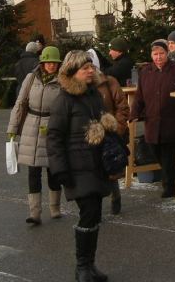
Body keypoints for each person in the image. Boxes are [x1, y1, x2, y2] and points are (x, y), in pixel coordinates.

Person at [47, 50, 116, 282]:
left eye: (91, 67)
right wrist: (59, 170)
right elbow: (54, 137)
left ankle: (90, 265)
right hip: (76, 167)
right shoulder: (64, 100)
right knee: (89, 212)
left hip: (97, 164)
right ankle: (82, 267)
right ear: (72, 72)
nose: (90, 70)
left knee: (95, 213)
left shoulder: (94, 94)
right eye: (85, 68)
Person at [8, 45, 64, 225]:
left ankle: (55, 208)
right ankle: (35, 213)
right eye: (48, 62)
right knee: (33, 171)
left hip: (52, 126)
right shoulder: (31, 78)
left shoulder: (63, 81)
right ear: (42, 63)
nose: (51, 65)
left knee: (53, 170)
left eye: (54, 63)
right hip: (31, 126)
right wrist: (12, 128)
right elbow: (20, 102)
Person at [132, 39, 175, 198]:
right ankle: (173, 176)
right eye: (155, 54)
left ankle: (169, 187)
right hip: (152, 121)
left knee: (168, 155)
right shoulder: (145, 72)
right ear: (151, 55)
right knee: (155, 151)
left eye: (161, 53)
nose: (158, 57)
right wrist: (134, 113)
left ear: (167, 53)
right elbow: (139, 97)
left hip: (172, 121)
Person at [89, 48, 130, 215]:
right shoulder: (79, 85)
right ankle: (94, 206)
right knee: (92, 170)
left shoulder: (109, 82)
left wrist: (117, 127)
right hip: (90, 133)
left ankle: (115, 196)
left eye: (91, 65)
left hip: (110, 133)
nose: (89, 70)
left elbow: (122, 106)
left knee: (110, 167)